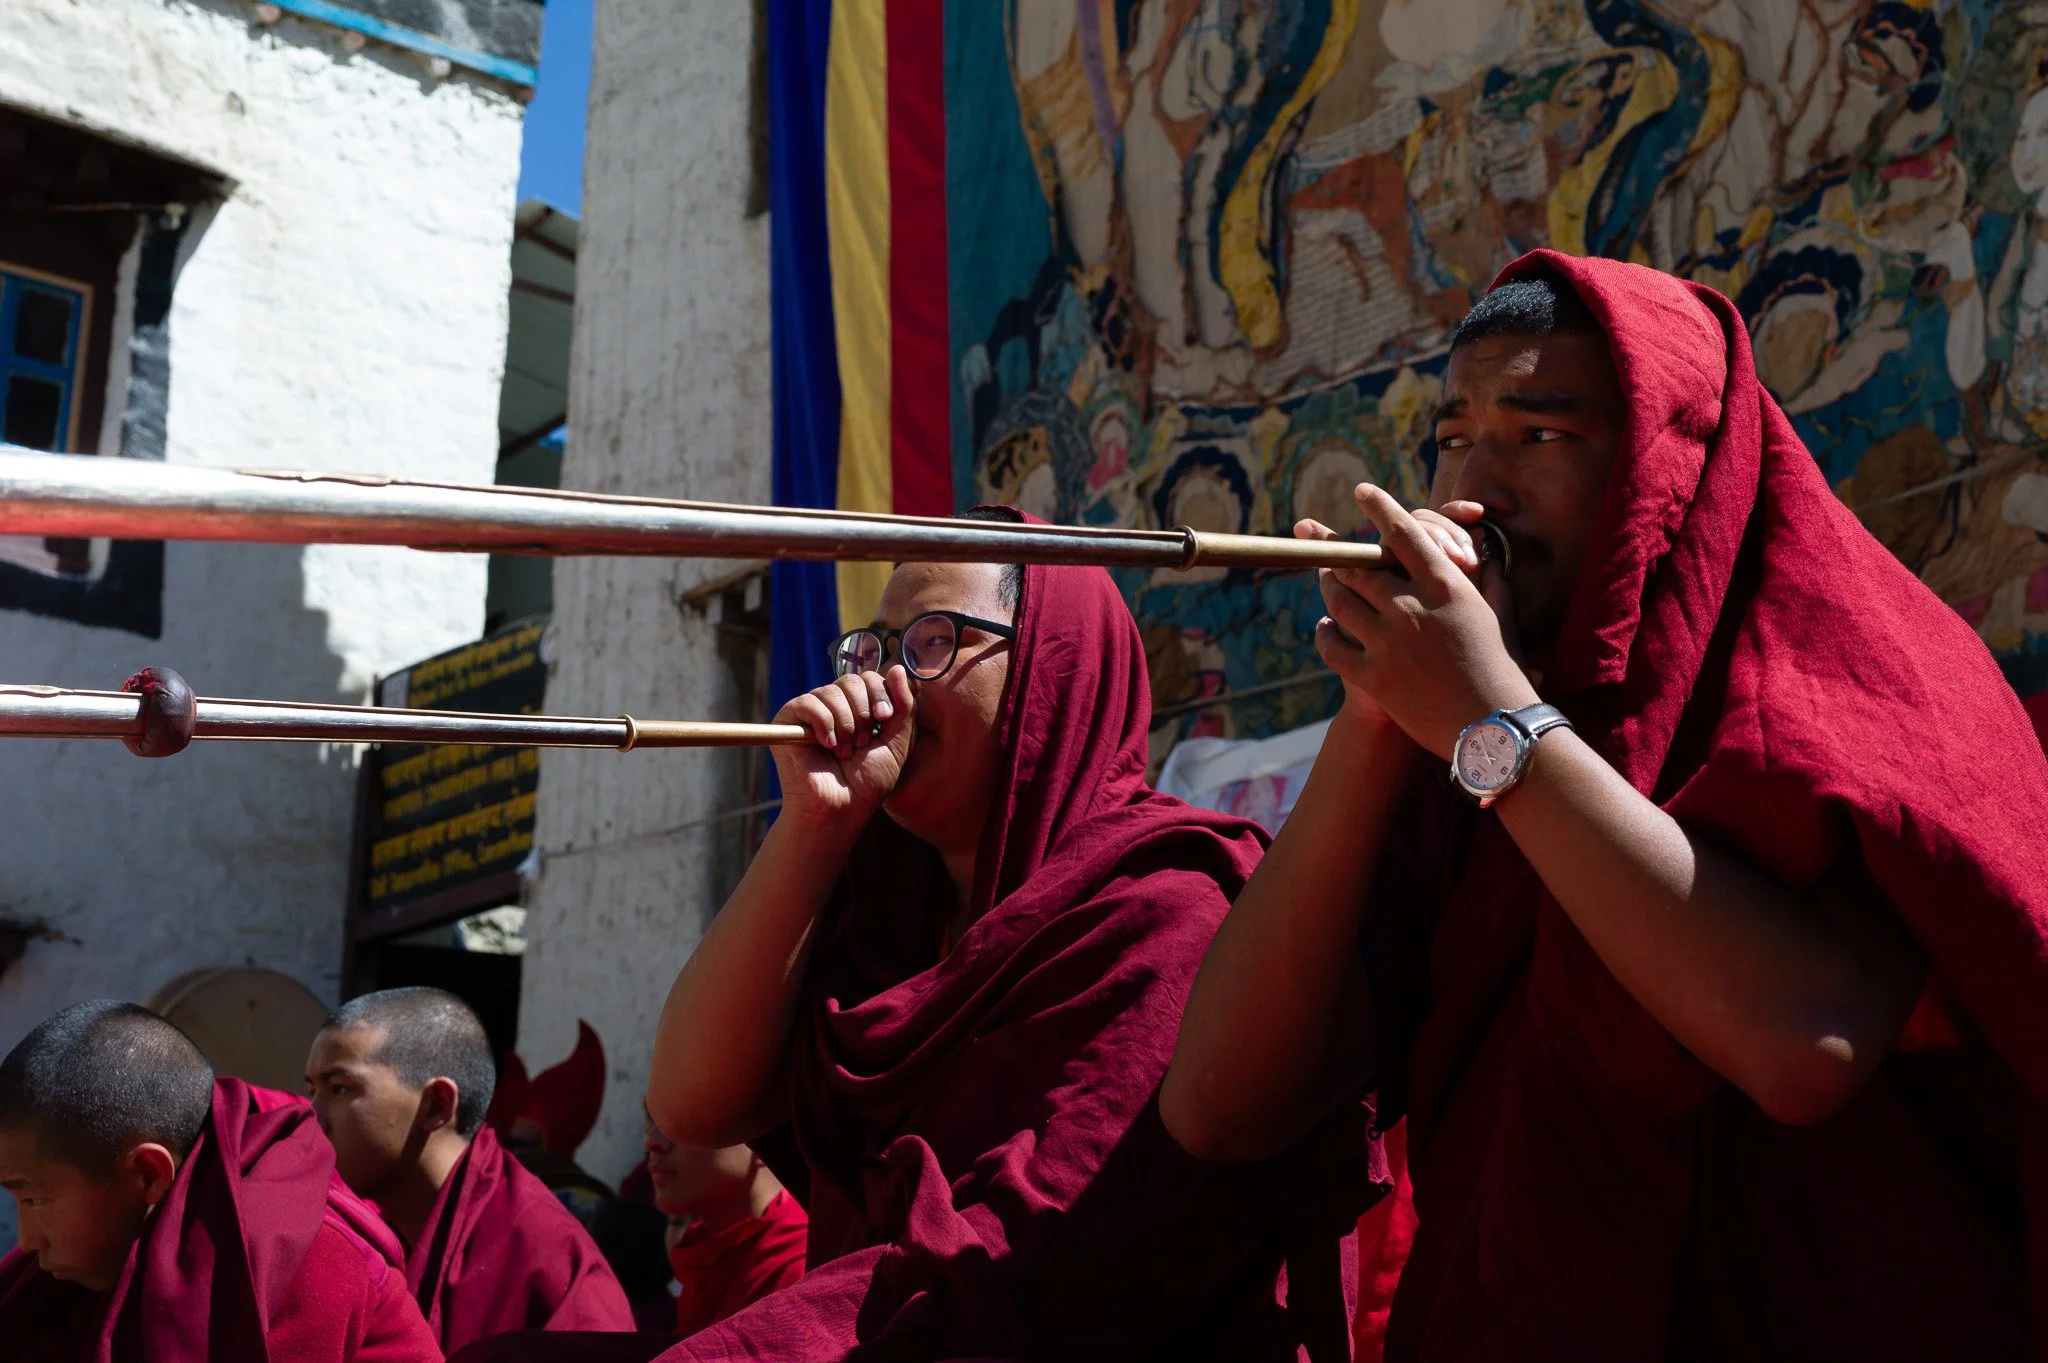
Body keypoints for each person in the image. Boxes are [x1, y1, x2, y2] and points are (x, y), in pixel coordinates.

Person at [1161, 252, 2048, 1359]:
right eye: (1451, 439)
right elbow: (1216, 1103)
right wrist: (1375, 716)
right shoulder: (1445, 754)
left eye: (1542, 435)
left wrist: (1495, 723)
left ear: (1661, 471)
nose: (1474, 487)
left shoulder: (1856, 671)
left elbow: (1803, 1049)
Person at [452, 517, 1378, 1363]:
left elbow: (1028, 1265)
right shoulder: (884, 923)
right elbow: (691, 1100)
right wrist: (812, 824)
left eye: (933, 643)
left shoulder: (1167, 905)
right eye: (872, 650)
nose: (883, 684)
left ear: (1051, 668)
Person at [0, 999, 440, 1362]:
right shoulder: (97, 1257)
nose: (28, 1240)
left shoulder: (286, 1254)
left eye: (34, 1201)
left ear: (149, 1174)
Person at [307, 988, 634, 1352]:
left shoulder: (547, 1258)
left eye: (338, 1088)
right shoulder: (363, 1232)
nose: (311, 1116)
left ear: (435, 1106)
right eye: (312, 1091)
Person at [643, 1115, 806, 1336]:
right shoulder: (708, 1250)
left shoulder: (803, 1265)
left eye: (686, 1117)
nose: (652, 1141)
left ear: (762, 1137)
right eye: (652, 1119)